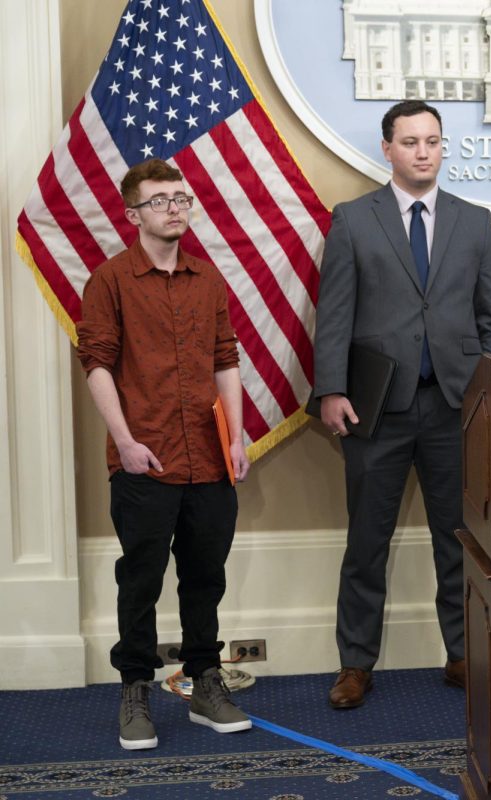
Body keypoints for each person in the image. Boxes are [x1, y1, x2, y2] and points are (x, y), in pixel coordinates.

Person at [313, 100, 491, 708]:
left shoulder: (474, 222)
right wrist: (331, 389)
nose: (423, 152)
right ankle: (355, 664)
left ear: (443, 147)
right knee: (367, 540)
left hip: (455, 407)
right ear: (388, 149)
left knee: (460, 539)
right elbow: (334, 314)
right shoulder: (352, 220)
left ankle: (463, 654)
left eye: (433, 141)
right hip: (376, 409)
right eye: (410, 142)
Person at [77, 159, 253, 749]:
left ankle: (206, 682)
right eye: (160, 201)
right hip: (144, 458)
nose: (174, 209)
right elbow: (97, 363)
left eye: (182, 199)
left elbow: (225, 357)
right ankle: (135, 689)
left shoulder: (208, 279)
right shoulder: (110, 280)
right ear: (133, 215)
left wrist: (236, 435)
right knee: (142, 579)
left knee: (206, 577)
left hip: (209, 459)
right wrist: (125, 441)